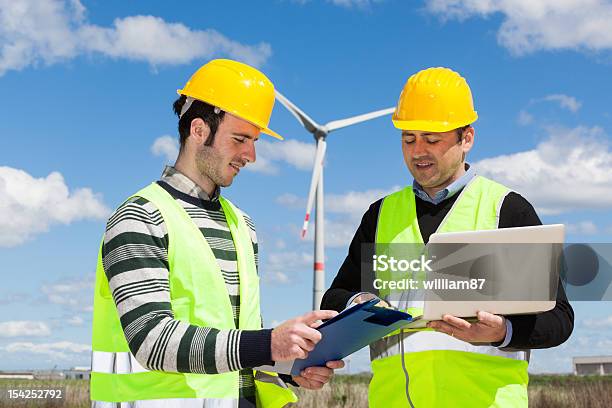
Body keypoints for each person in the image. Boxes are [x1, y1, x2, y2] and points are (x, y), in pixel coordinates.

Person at [91, 59, 343, 408]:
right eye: (240, 139)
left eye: (254, 141)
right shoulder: (141, 216)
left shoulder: (243, 226)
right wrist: (270, 342)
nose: (251, 155)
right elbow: (150, 339)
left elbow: (237, 343)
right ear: (198, 130)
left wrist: (288, 365)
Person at [321, 67, 574, 407]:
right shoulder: (379, 216)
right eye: (408, 139)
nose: (417, 151)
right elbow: (334, 298)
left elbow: (558, 318)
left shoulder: (507, 211)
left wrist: (502, 331)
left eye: (432, 139)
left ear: (466, 138)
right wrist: (359, 304)